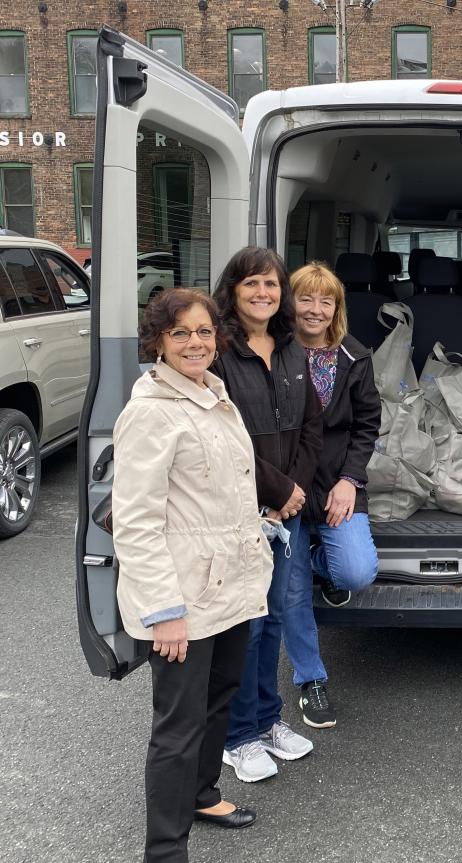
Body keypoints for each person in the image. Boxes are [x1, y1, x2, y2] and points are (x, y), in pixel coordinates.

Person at [112, 289, 273, 862]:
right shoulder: (151, 412)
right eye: (180, 333)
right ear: (157, 341)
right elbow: (134, 524)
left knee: (219, 697)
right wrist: (165, 613)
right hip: (183, 598)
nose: (195, 343)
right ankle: (164, 851)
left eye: (204, 332)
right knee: (177, 727)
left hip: (229, 586)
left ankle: (203, 795)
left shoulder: (214, 394)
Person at [212, 247, 323, 782]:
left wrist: (295, 491)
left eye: (272, 284)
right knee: (247, 627)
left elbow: (311, 427)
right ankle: (237, 737)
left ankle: (267, 720)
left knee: (274, 618)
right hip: (240, 514)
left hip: (285, 512)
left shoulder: (291, 348)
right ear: (233, 289)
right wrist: (279, 492)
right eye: (252, 283)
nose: (263, 293)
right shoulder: (217, 351)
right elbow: (223, 439)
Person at [288, 261, 381, 729]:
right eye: (306, 298)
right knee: (291, 593)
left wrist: (351, 480)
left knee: (356, 572)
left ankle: (317, 563)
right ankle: (311, 679)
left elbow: (368, 425)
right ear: (291, 302)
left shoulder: (354, 356)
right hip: (283, 488)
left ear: (337, 307)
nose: (315, 309)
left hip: (337, 484)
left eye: (326, 300)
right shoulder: (273, 353)